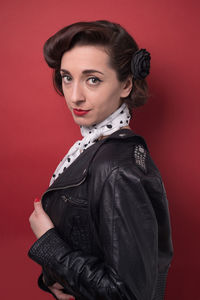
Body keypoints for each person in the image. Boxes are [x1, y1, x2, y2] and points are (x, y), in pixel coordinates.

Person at [28, 20, 173, 300]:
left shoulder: (116, 168)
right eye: (67, 77)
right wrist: (55, 277)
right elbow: (90, 246)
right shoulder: (94, 147)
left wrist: (49, 245)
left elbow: (129, 295)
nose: (75, 96)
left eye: (93, 79)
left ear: (126, 84)